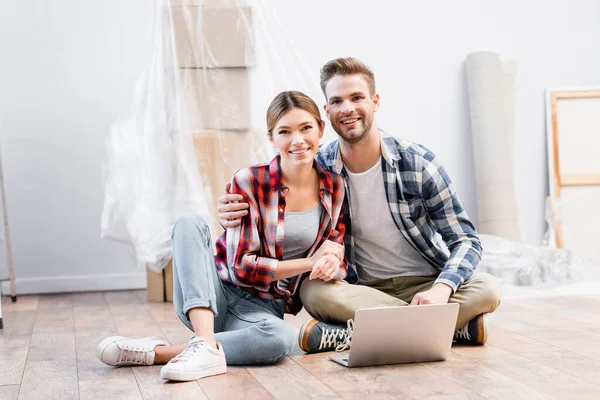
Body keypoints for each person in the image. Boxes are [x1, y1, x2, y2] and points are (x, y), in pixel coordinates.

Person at [218, 57, 502, 353]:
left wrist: (442, 290)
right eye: (337, 101)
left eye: (357, 98)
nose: (348, 108)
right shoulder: (319, 166)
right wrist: (231, 207)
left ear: (375, 101)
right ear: (326, 113)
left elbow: (466, 240)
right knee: (313, 292)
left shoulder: (418, 164)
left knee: (489, 289)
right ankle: (447, 328)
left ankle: (354, 334)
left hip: (424, 283)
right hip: (359, 290)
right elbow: (271, 186)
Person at [96, 91, 349, 381]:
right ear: (271, 138)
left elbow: (336, 255)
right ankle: (204, 341)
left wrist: (331, 261)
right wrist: (309, 263)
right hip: (212, 294)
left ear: (320, 129)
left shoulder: (335, 188)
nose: (298, 140)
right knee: (189, 222)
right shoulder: (250, 181)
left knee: (280, 339)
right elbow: (243, 268)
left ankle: (163, 352)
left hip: (263, 310)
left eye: (306, 128)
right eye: (285, 131)